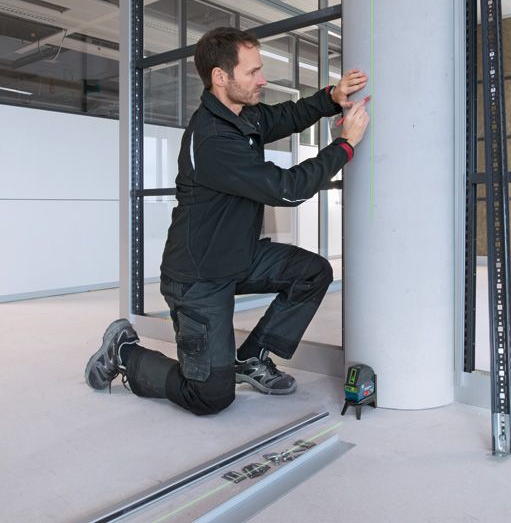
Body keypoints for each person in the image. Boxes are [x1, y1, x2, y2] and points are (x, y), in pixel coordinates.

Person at [84, 26, 370, 415]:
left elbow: (285, 116)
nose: (262, 79)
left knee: (312, 272)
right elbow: (286, 189)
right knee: (210, 396)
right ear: (221, 77)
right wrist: (345, 145)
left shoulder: (241, 115)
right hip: (198, 277)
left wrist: (330, 99)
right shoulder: (214, 139)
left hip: (238, 255)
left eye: (260, 69)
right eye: (252, 72)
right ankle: (125, 352)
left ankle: (249, 358)